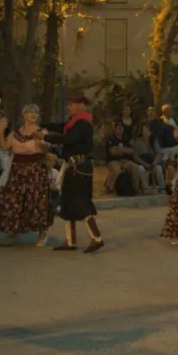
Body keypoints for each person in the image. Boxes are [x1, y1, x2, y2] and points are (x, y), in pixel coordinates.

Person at [42, 94, 104, 253]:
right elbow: (60, 127)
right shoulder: (75, 123)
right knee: (68, 203)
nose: (68, 107)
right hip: (73, 167)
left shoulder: (83, 124)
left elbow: (69, 139)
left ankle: (96, 238)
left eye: (71, 104)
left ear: (80, 106)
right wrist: (41, 125)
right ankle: (70, 242)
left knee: (80, 202)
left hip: (80, 168)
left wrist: (45, 137)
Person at [0, 104, 52, 247]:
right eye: (30, 112)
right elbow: (4, 146)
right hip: (17, 170)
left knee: (36, 200)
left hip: (34, 170)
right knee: (14, 200)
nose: (33, 115)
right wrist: (0, 131)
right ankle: (13, 232)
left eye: (36, 112)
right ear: (24, 115)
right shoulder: (16, 133)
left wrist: (41, 142)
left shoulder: (41, 131)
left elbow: (46, 149)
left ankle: (42, 234)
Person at [105, 122, 143, 195]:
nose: (120, 129)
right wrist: (124, 150)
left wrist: (121, 149)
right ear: (115, 129)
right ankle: (109, 188)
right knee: (117, 170)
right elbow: (113, 152)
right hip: (112, 160)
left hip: (124, 160)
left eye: (122, 128)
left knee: (135, 167)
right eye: (118, 127)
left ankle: (135, 189)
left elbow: (132, 151)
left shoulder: (125, 138)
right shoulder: (110, 138)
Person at [132, 123, 165, 192]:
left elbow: (159, 153)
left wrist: (154, 162)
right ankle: (145, 188)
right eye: (144, 130)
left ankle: (162, 188)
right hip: (141, 162)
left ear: (151, 132)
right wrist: (144, 164)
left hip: (152, 162)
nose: (145, 132)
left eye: (147, 130)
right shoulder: (138, 141)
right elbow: (135, 156)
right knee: (140, 169)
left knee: (158, 168)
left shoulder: (153, 140)